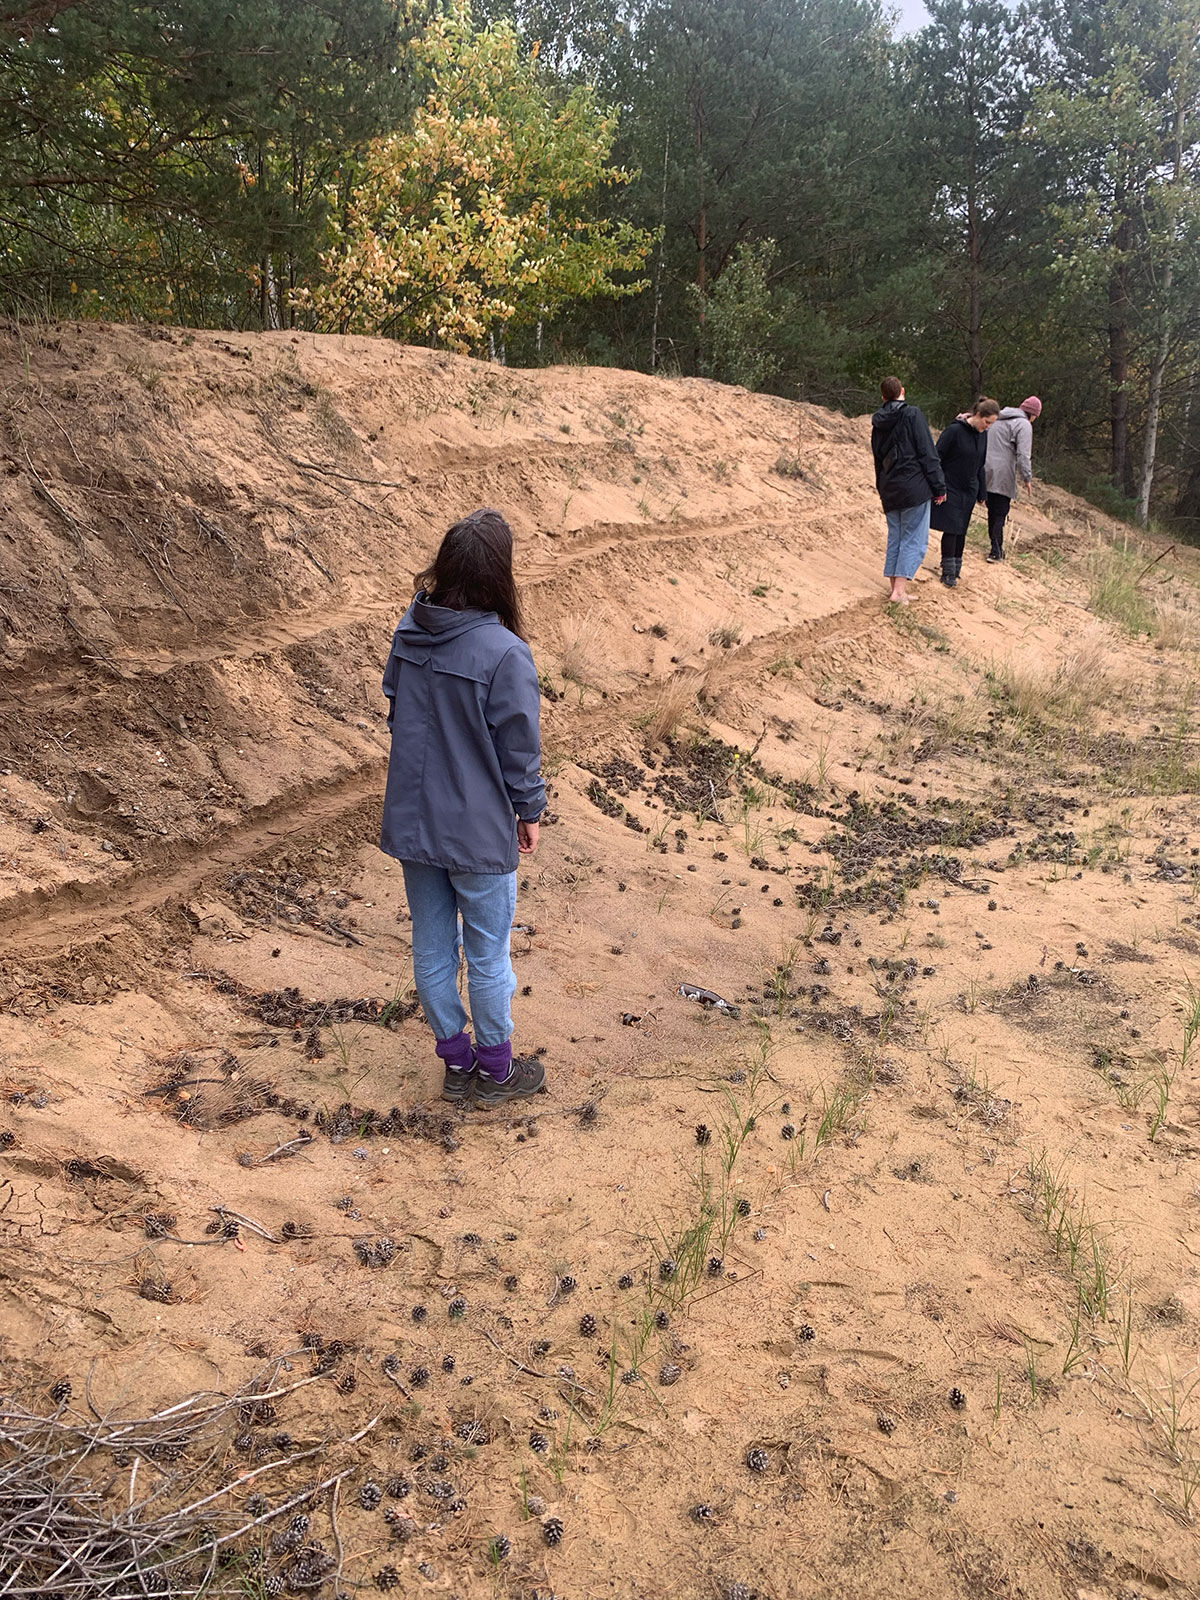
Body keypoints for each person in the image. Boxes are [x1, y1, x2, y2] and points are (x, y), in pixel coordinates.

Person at [380, 508, 547, 1108]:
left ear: (445, 567)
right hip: (477, 831)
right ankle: (497, 1071)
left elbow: (397, 710)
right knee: (487, 951)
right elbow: (518, 749)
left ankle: (455, 1061)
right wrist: (529, 810)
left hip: (412, 820)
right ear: (500, 575)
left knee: (430, 946)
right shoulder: (505, 653)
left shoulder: (409, 631)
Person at [871, 376, 947, 605]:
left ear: (883, 396)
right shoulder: (912, 414)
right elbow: (927, 452)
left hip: (889, 487)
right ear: (903, 391)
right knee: (914, 539)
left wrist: (881, 486)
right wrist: (939, 486)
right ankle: (899, 592)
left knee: (896, 537)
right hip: (914, 487)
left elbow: (877, 457)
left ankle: (895, 588)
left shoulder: (878, 421)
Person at [930, 397, 1000, 587]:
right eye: (987, 422)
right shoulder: (954, 431)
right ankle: (948, 571)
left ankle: (957, 568)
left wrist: (982, 493)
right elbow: (937, 457)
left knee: (961, 529)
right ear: (978, 415)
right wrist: (938, 485)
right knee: (951, 528)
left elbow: (980, 465)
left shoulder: (982, 435)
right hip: (950, 485)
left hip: (969, 489)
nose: (987, 427)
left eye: (991, 425)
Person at [985, 395, 1041, 562]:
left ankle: (995, 548)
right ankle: (996, 551)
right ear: (1033, 415)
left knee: (991, 509)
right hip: (1003, 473)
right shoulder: (1023, 425)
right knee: (1000, 511)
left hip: (985, 468)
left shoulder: (998, 417)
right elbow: (1023, 454)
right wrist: (1027, 478)